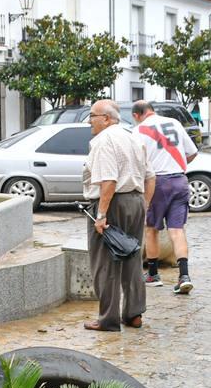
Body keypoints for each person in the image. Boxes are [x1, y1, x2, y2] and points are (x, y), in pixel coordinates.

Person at [83, 99, 154, 332]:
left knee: (105, 264)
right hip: (135, 201)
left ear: (106, 118)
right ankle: (134, 314)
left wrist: (101, 215)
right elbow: (150, 176)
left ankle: (108, 319)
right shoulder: (133, 137)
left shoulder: (104, 140)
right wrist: (143, 204)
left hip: (112, 203)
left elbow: (109, 180)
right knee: (132, 258)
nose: (89, 121)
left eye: (92, 115)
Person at [132, 99, 196, 295]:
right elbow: (192, 153)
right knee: (177, 230)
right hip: (180, 180)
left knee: (151, 229)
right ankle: (184, 276)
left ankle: (153, 275)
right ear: (152, 110)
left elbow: (136, 162)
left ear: (136, 115)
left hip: (156, 182)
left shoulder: (138, 131)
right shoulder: (175, 123)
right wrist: (174, 164)